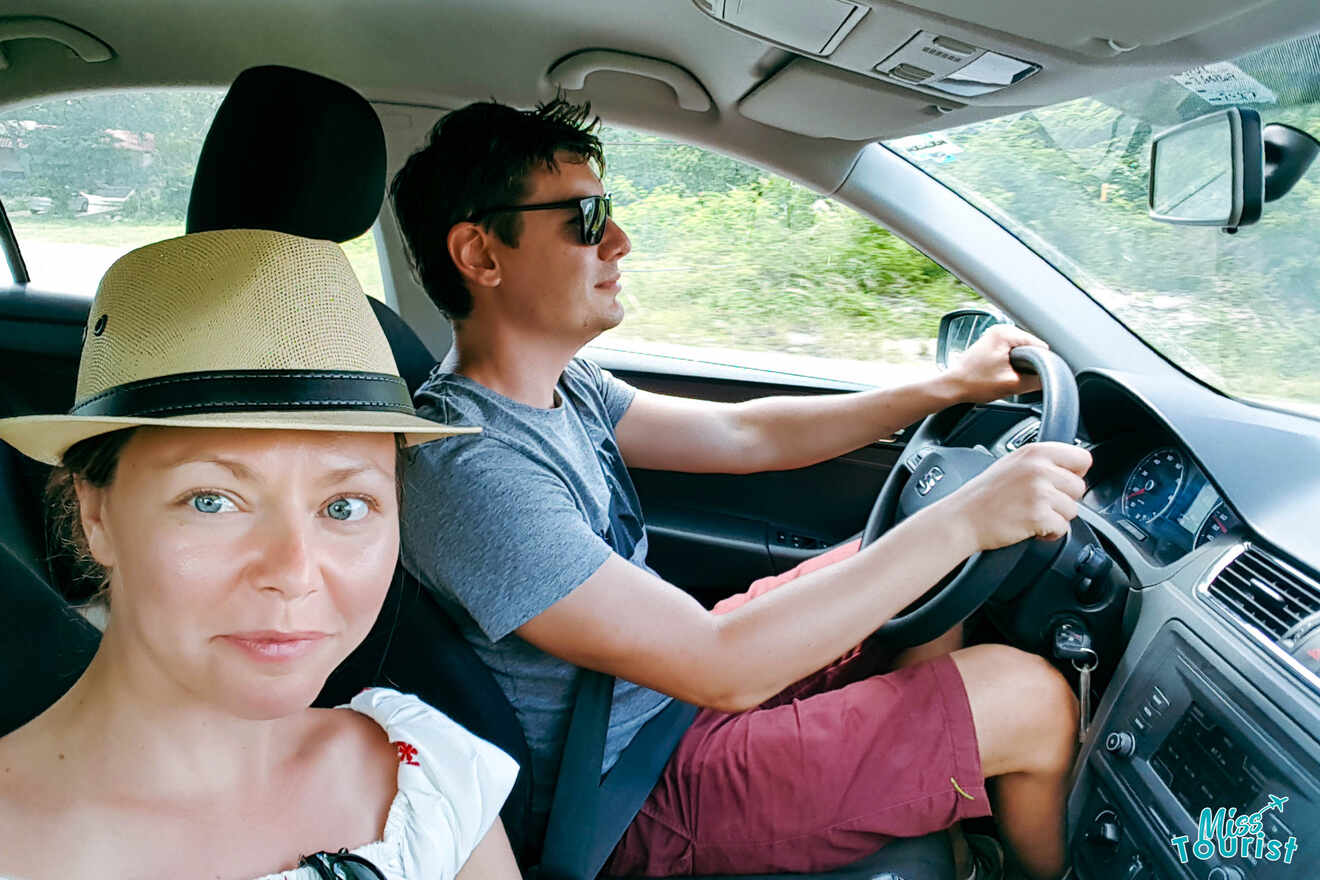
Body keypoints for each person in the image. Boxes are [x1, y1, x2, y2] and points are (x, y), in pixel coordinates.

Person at [390, 100, 1092, 880]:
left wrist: (942, 388)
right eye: (587, 219)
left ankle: (916, 786)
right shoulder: (469, 468)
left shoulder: (565, 387)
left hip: (661, 696)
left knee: (899, 566)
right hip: (625, 794)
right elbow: (722, 666)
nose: (619, 241)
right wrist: (967, 520)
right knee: (1030, 699)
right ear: (480, 254)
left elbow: (745, 435)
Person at [0, 229, 521, 880]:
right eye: (211, 500)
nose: (293, 575)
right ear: (96, 512)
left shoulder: (428, 778)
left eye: (345, 507)